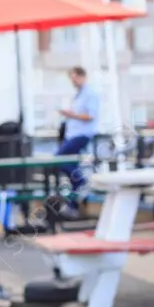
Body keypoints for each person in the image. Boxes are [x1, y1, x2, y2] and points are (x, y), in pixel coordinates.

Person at [51, 66, 100, 217]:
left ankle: (81, 182)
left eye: (74, 78)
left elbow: (90, 116)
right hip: (72, 135)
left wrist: (72, 115)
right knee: (71, 168)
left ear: (81, 76)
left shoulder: (90, 94)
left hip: (82, 135)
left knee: (59, 159)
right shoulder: (78, 95)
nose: (73, 82)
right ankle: (73, 207)